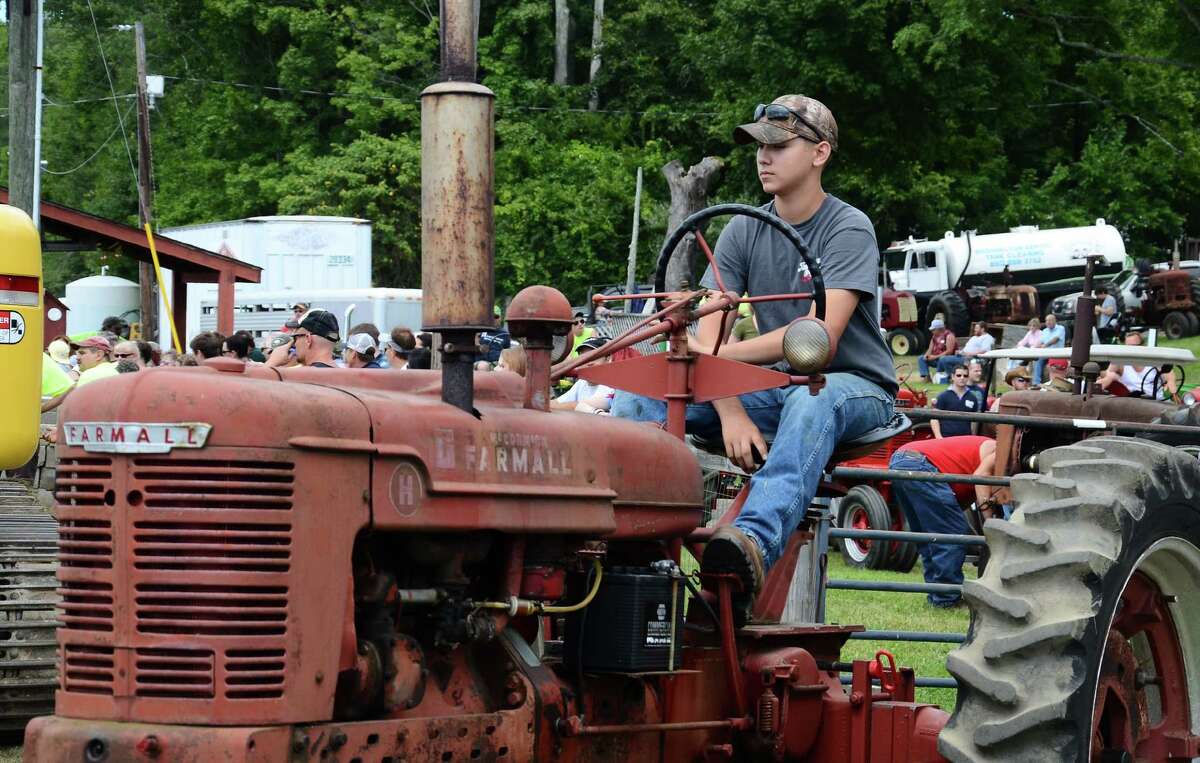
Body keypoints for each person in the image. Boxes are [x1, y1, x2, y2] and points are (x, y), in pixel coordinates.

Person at [612, 94, 896, 618]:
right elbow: (702, 340)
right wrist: (730, 402)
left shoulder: (848, 228)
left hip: (852, 386)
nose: (763, 157)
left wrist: (725, 369)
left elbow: (819, 337)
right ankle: (634, 555)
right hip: (771, 388)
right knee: (638, 396)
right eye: (758, 147)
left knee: (817, 398)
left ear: (820, 153)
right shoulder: (742, 227)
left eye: (779, 145)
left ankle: (746, 550)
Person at [889, 436, 997, 608]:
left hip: (902, 459)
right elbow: (981, 476)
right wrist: (991, 524)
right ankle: (947, 599)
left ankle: (938, 596)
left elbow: (952, 510)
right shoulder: (1002, 451)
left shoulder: (979, 457)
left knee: (930, 537)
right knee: (952, 535)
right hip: (922, 463)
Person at [1098, 331, 1177, 400]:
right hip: (1132, 402)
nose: (1132, 350)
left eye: (1135, 346)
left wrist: (1171, 382)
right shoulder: (1120, 362)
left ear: (1143, 345)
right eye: (1129, 347)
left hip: (1156, 401)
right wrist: (1101, 375)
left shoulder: (1153, 360)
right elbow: (1108, 374)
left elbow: (1168, 373)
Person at [553, 337, 616, 412]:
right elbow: (558, 402)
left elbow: (575, 406)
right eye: (584, 358)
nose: (589, 363)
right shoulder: (581, 383)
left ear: (608, 358)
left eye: (595, 357)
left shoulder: (612, 384)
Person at [268, 308, 340, 368]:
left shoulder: (300, 377)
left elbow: (258, 383)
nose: (294, 344)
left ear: (308, 339)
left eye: (295, 338)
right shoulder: (346, 375)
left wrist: (271, 362)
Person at [932, 364, 984, 438]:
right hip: (946, 438)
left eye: (965, 376)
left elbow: (974, 421)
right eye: (959, 375)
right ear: (953, 376)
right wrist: (939, 437)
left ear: (968, 377)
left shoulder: (973, 398)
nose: (962, 378)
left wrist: (972, 436)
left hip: (965, 439)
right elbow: (934, 418)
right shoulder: (943, 396)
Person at [1032, 313, 1065, 385]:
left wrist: (1045, 345)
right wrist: (1033, 348)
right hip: (1045, 354)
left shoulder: (1061, 328)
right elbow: (1040, 342)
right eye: (1046, 320)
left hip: (1057, 354)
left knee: (1050, 365)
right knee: (1037, 360)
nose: (1048, 322)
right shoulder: (1045, 331)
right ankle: (1036, 383)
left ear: (1055, 321)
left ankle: (1052, 383)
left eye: (1050, 320)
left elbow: (1055, 339)